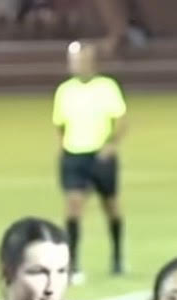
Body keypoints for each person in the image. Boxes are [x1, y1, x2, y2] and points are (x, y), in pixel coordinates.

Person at [52, 40, 127, 282]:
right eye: (73, 60)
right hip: (74, 156)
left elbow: (121, 121)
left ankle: (117, 258)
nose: (76, 65)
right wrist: (63, 147)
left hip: (100, 156)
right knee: (73, 208)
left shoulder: (107, 87)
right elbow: (59, 124)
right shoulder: (64, 90)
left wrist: (110, 146)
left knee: (111, 207)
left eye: (81, 60)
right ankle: (73, 264)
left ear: (92, 62)